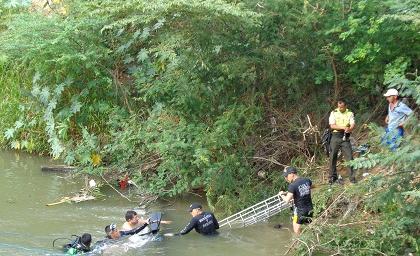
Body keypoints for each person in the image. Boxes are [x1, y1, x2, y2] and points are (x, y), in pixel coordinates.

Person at [328, 99, 356, 184]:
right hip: (335, 136)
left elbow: (352, 124)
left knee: (349, 157)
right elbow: (332, 125)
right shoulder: (334, 112)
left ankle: (352, 178)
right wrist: (343, 127)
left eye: (342, 107)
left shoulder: (350, 113)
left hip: (345, 137)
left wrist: (349, 128)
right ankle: (332, 177)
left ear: (345, 106)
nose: (340, 108)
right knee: (333, 157)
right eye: (339, 106)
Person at [279, 166, 313, 235]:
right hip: (310, 209)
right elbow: (310, 187)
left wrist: (281, 194)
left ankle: (299, 243)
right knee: (309, 228)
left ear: (292, 174)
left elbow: (286, 200)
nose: (286, 178)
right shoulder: (307, 180)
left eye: (286, 176)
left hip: (300, 212)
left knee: (296, 230)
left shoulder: (292, 185)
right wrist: (292, 192)